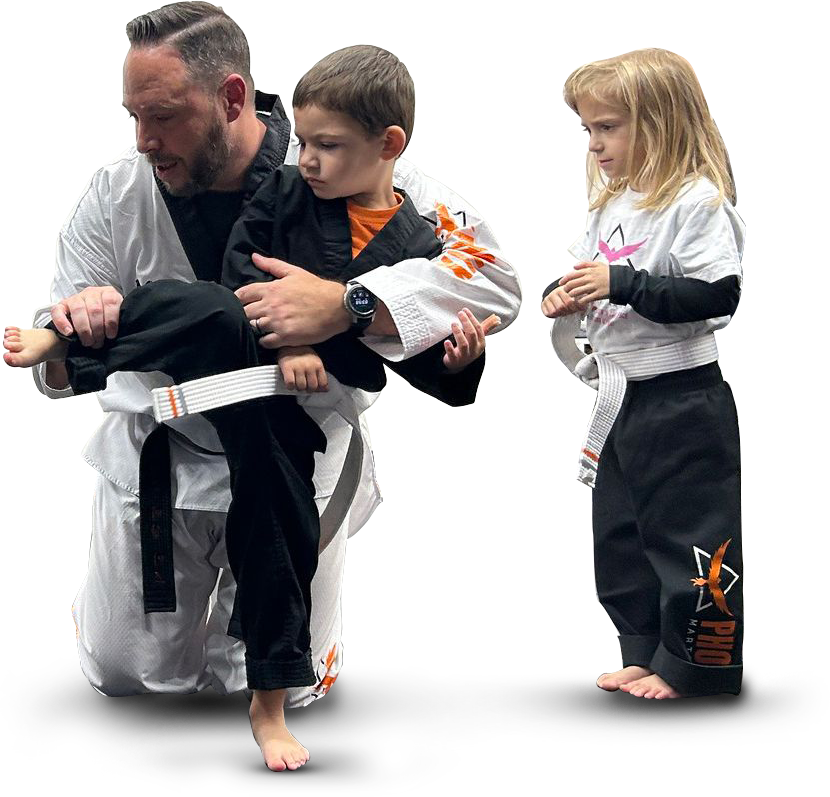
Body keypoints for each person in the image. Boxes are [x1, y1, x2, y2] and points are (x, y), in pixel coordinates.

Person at [2, 1, 521, 771]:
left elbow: (496, 285)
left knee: (284, 683)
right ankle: (117, 613)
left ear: (233, 98)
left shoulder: (355, 163)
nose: (144, 140)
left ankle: (264, 674)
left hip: (293, 451)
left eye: (164, 117)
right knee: (127, 675)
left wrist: (345, 303)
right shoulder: (116, 192)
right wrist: (78, 321)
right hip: (164, 451)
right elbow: (52, 365)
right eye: (133, 116)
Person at [541, 47, 744, 699]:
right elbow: (595, 274)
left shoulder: (696, 201)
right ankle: (647, 648)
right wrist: (564, 291)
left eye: (609, 127)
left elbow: (716, 296)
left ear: (661, 121)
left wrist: (621, 282)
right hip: (620, 397)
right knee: (621, 533)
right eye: (588, 129)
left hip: (682, 399)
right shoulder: (616, 201)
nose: (594, 144)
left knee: (690, 538)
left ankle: (700, 668)